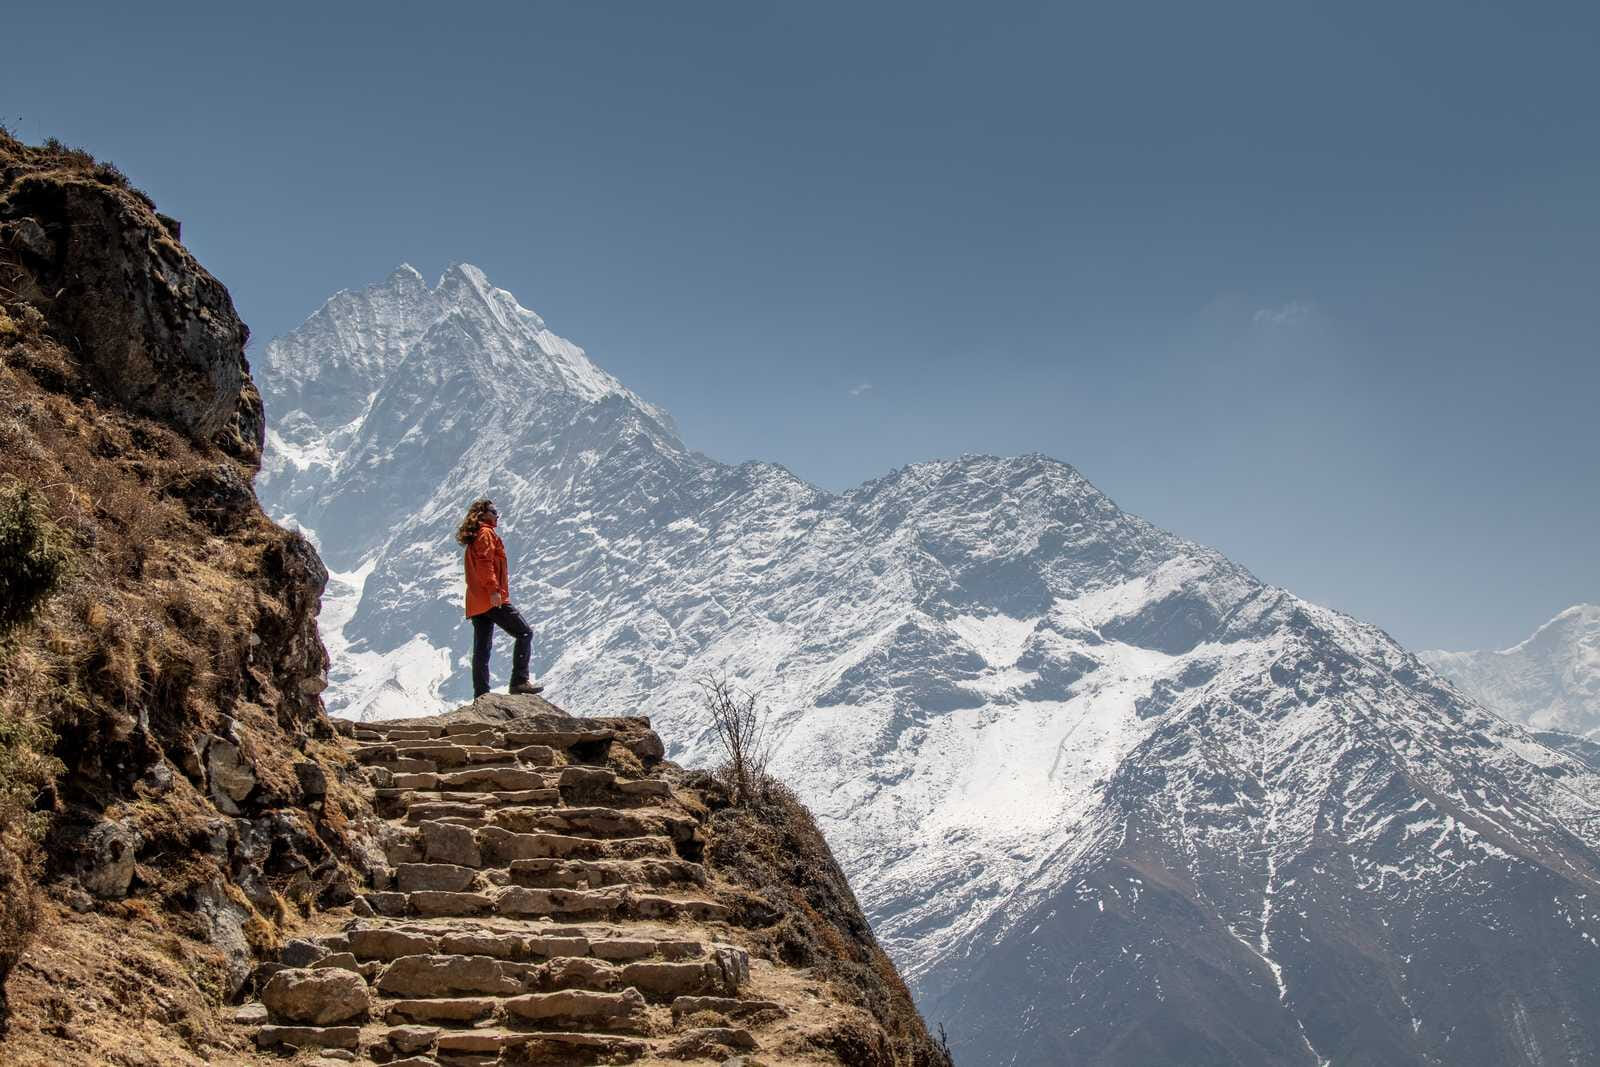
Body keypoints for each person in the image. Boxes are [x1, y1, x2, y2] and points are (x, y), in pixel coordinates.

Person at [456, 498, 542, 698]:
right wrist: (494, 591)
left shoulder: (475, 536)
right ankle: (519, 681)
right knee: (524, 633)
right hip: (491, 598)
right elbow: (486, 564)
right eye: (494, 511)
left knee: (482, 650)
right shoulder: (486, 533)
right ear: (483, 513)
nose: (497, 515)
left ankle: (481, 695)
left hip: (477, 602)